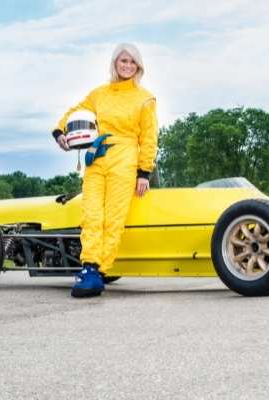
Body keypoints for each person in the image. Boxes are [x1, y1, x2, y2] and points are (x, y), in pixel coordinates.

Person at [52, 43, 158, 298]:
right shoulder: (100, 94)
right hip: (96, 158)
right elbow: (74, 111)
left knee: (113, 218)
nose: (128, 66)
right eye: (123, 61)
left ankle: (98, 271)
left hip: (126, 158)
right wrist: (59, 132)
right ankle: (88, 267)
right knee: (91, 215)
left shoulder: (145, 99)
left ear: (139, 66)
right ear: (115, 63)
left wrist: (144, 172)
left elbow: (149, 137)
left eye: (132, 62)